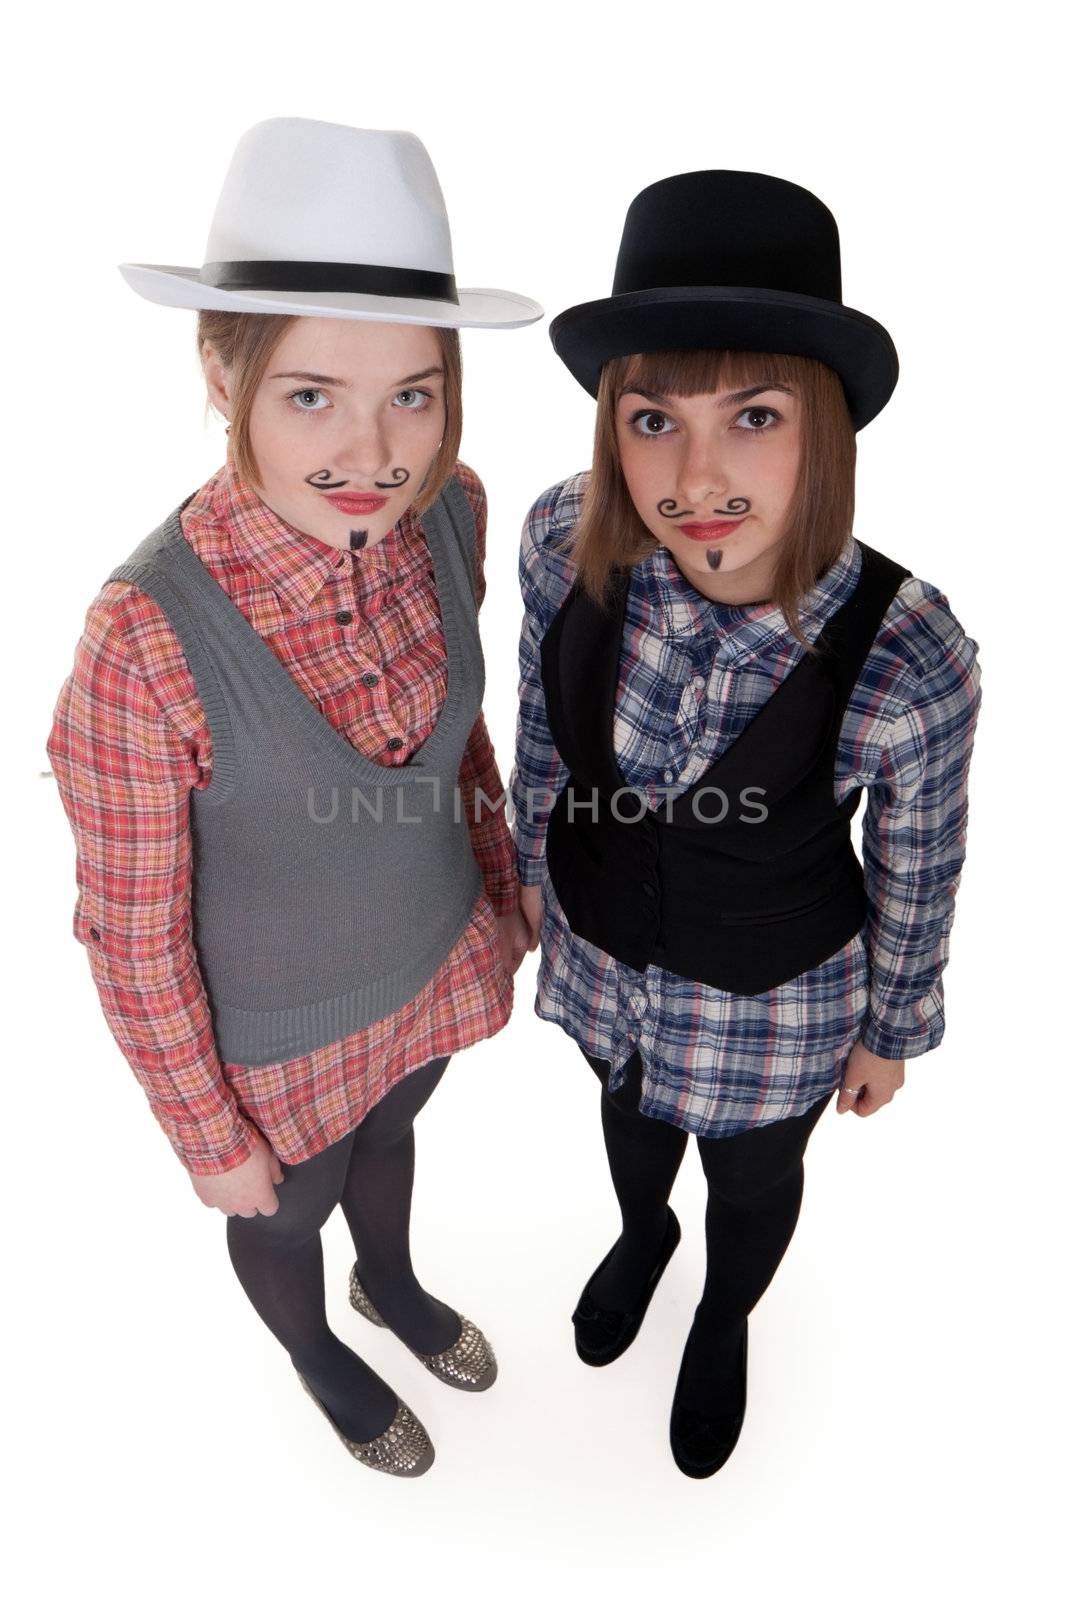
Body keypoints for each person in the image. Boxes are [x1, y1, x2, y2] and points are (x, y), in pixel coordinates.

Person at [47, 117, 541, 1478]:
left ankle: (392, 1281)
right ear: (224, 370)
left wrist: (499, 895)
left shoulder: (453, 512)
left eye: (416, 394)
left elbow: (461, 742)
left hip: (430, 951)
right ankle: (320, 1345)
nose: (373, 450)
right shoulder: (143, 642)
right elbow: (132, 934)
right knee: (285, 1208)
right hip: (271, 1035)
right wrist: (207, 1138)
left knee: (396, 1133)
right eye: (313, 394)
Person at [511, 169, 982, 1478]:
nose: (695, 475)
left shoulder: (907, 651)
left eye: (753, 416)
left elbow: (920, 863)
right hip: (602, 941)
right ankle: (641, 1235)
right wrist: (530, 864)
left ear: (824, 429)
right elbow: (543, 706)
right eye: (654, 418)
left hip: (771, 998)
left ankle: (724, 1311)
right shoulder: (568, 538)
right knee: (625, 1111)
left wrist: (896, 1030)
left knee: (754, 1178)